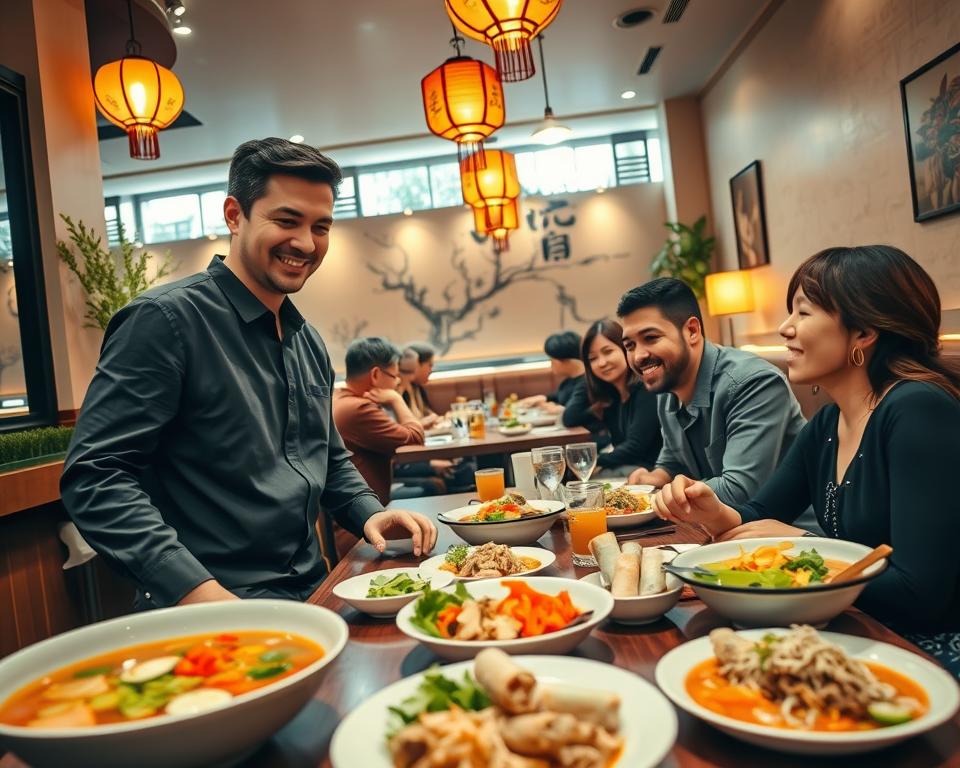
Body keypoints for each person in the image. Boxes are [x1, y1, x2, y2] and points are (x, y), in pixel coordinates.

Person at [60, 138, 437, 610]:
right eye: (286, 220)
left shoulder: (306, 339)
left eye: (321, 226)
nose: (305, 242)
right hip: (211, 605)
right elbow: (96, 477)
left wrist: (370, 514)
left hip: (313, 590)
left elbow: (328, 457)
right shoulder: (165, 321)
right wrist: (195, 590)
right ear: (235, 215)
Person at [651, 246, 960, 639]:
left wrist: (804, 544)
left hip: (925, 645)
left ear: (863, 332)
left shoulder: (917, 411)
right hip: (845, 625)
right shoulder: (829, 422)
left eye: (803, 311)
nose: (785, 327)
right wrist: (714, 513)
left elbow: (920, 595)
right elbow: (761, 512)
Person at [619, 278, 805, 505]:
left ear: (692, 331)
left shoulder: (753, 383)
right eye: (629, 345)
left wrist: (656, 499)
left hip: (788, 529)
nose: (638, 356)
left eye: (651, 338)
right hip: (718, 526)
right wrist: (653, 478)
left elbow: (739, 489)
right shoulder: (668, 385)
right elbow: (674, 461)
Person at [333, 338, 429, 504]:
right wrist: (396, 399)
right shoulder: (359, 408)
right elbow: (415, 439)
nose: (398, 381)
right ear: (376, 374)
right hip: (365, 518)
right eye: (395, 376)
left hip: (358, 507)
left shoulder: (339, 398)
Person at [562, 320, 661, 475]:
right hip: (629, 469)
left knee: (580, 477)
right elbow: (569, 418)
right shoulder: (610, 398)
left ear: (625, 349)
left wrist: (592, 461)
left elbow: (635, 447)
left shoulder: (646, 388)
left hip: (651, 473)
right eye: (592, 358)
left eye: (608, 351)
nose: (601, 363)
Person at [517, 331, 586, 414]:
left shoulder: (586, 384)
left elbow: (575, 412)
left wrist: (558, 409)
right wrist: (542, 398)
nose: (551, 363)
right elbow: (558, 396)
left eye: (552, 359)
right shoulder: (569, 381)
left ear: (565, 360)